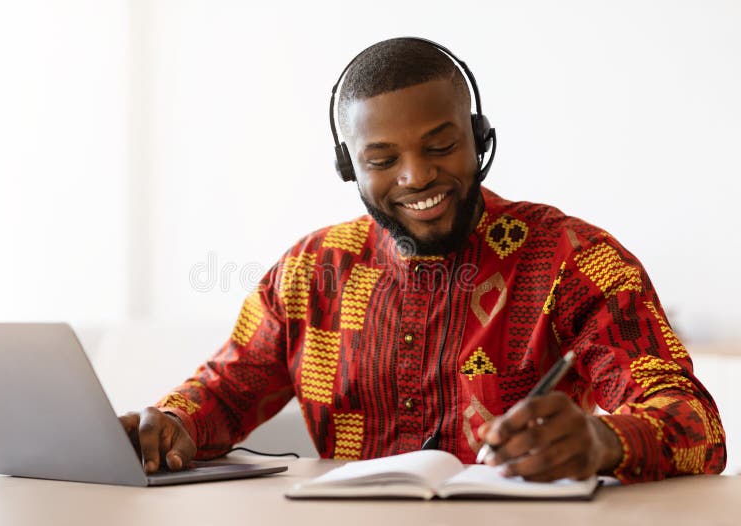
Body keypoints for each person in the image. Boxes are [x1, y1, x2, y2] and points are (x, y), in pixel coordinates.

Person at [119, 37, 726, 484]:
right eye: (382, 160)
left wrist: (601, 440)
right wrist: (170, 423)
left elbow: (696, 424)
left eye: (441, 145)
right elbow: (225, 394)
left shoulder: (576, 260)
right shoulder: (310, 271)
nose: (416, 176)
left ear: (479, 138)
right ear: (347, 168)